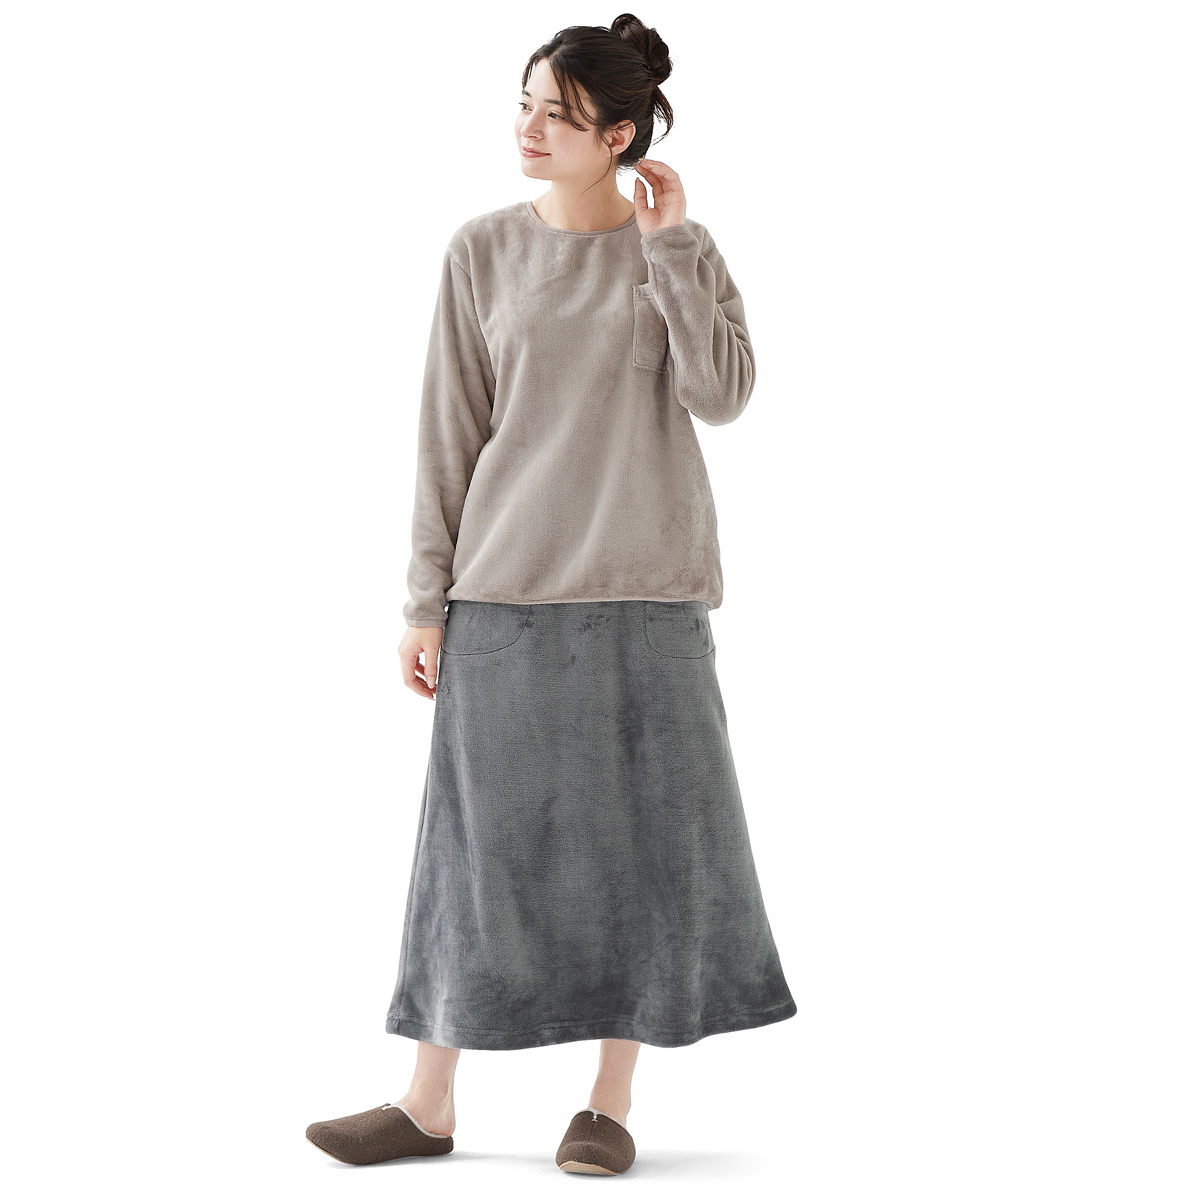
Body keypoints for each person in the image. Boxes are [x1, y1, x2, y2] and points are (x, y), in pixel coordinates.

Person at [305, 14, 796, 1175]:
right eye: (524, 104)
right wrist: (424, 600)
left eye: (558, 117)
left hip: (648, 597)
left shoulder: (680, 251)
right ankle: (429, 1103)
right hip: (506, 595)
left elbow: (723, 394)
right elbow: (448, 431)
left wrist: (673, 250)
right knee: (471, 853)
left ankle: (608, 1105)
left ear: (618, 136)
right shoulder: (481, 250)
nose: (528, 129)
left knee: (646, 851)